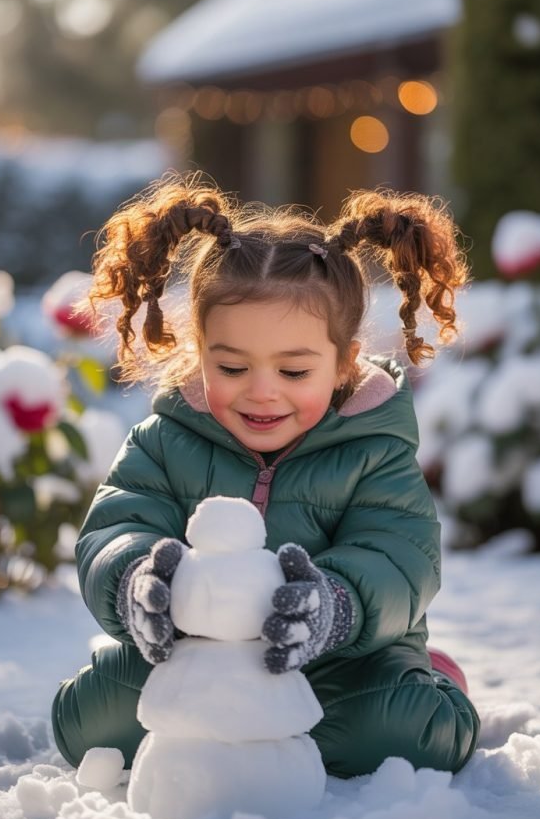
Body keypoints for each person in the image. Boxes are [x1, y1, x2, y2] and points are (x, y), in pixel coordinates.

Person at [52, 172, 480, 779]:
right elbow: (116, 526)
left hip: (336, 660)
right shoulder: (167, 440)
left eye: (294, 372)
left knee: (402, 734)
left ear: (342, 366)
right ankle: (218, 728)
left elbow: (400, 555)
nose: (261, 393)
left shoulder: (373, 448)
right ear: (201, 353)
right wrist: (137, 579)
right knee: (90, 728)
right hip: (193, 653)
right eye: (232, 366)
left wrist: (331, 606)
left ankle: (432, 677)